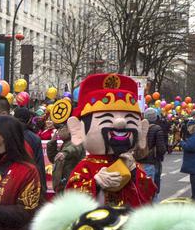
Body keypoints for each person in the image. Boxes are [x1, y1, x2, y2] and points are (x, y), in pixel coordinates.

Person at [63, 73, 156, 207]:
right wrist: (96, 184)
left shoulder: (131, 164)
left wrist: (134, 173)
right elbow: (70, 201)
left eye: (130, 119)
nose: (121, 123)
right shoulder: (85, 167)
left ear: (142, 130)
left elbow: (149, 195)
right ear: (78, 130)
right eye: (106, 119)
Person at [51, 119, 84, 194]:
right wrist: (52, 143)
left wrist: (64, 153)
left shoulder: (76, 141)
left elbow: (73, 148)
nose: (58, 131)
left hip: (70, 184)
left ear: (69, 129)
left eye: (60, 128)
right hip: (62, 183)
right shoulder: (65, 143)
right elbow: (53, 158)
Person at [142, 108, 168, 196]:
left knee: (142, 187)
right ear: (155, 117)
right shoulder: (157, 129)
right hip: (152, 161)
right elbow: (161, 149)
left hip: (138, 161)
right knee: (153, 188)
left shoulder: (139, 127)